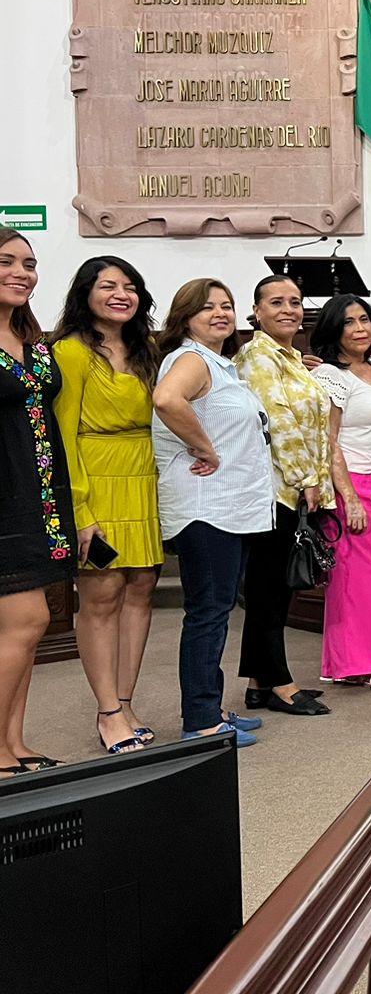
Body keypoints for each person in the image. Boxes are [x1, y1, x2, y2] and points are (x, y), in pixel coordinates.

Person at [151, 279, 272, 747]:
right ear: (185, 317)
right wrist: (205, 447)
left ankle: (210, 705)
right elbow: (166, 400)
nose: (220, 313)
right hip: (206, 508)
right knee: (207, 613)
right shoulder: (191, 359)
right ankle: (199, 721)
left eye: (227, 306)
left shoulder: (220, 365)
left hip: (229, 506)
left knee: (217, 612)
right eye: (207, 308)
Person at [51, 257, 163, 752]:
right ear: (85, 293)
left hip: (145, 478)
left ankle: (126, 699)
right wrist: (80, 511)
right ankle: (108, 712)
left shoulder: (147, 350)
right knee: (101, 598)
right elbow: (63, 436)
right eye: (108, 286)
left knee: (141, 590)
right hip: (95, 478)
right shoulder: (70, 353)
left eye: (130, 286)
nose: (121, 294)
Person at [235, 276, 333, 717]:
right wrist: (305, 479)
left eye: (295, 301)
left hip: (293, 487)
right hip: (276, 488)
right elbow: (278, 422)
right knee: (269, 589)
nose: (289, 309)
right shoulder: (258, 356)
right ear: (256, 311)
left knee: (274, 588)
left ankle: (260, 681)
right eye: (276, 302)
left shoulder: (289, 357)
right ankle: (280, 683)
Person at [0, 231, 74, 774]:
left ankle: (13, 744)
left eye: (29, 263)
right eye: (6, 262)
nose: (21, 272)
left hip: (42, 497)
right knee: (24, 621)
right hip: (3, 500)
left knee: (26, 628)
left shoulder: (36, 343)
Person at [309, 294, 371, 694]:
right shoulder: (331, 375)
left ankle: (353, 662)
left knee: (361, 575)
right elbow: (327, 440)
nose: (360, 328)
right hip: (350, 480)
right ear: (335, 329)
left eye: (364, 319)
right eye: (349, 322)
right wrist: (348, 496)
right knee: (364, 574)